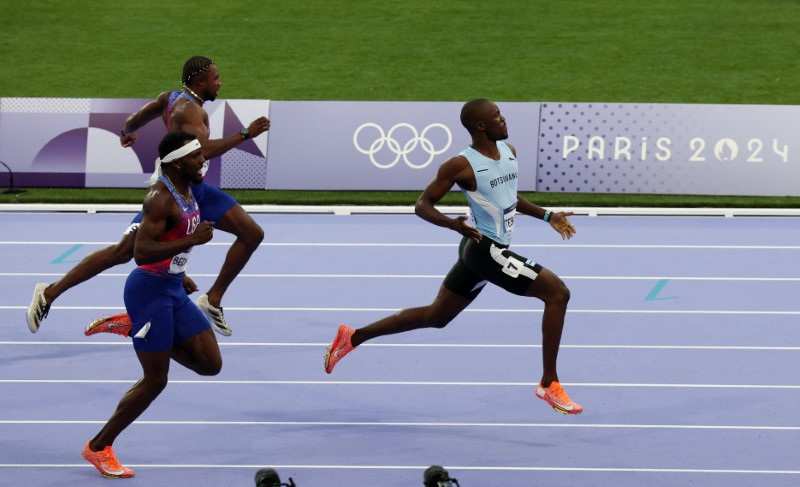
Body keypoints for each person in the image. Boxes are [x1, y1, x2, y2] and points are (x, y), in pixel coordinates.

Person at [324, 99, 583, 415]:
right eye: (497, 116)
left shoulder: (510, 152)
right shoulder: (460, 165)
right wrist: (453, 225)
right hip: (485, 250)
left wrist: (547, 216)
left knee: (436, 316)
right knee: (558, 293)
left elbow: (508, 198)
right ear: (481, 126)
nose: (504, 119)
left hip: (479, 251)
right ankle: (549, 383)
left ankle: (353, 336)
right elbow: (423, 205)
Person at [26, 55, 269, 336]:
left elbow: (136, 117)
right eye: (216, 78)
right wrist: (244, 133)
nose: (220, 83)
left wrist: (128, 132)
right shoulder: (188, 111)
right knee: (123, 252)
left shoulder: (169, 98)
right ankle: (49, 292)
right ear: (200, 81)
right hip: (172, 192)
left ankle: (212, 299)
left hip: (197, 189)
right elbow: (202, 151)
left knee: (251, 233)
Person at [82, 131, 221, 478]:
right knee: (155, 380)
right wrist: (193, 240)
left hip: (171, 287)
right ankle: (99, 447)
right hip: (148, 291)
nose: (202, 160)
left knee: (210, 363)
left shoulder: (188, 188)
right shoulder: (159, 198)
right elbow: (141, 253)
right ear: (176, 162)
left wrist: (181, 269)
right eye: (195, 156)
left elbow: (169, 241)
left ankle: (134, 327)